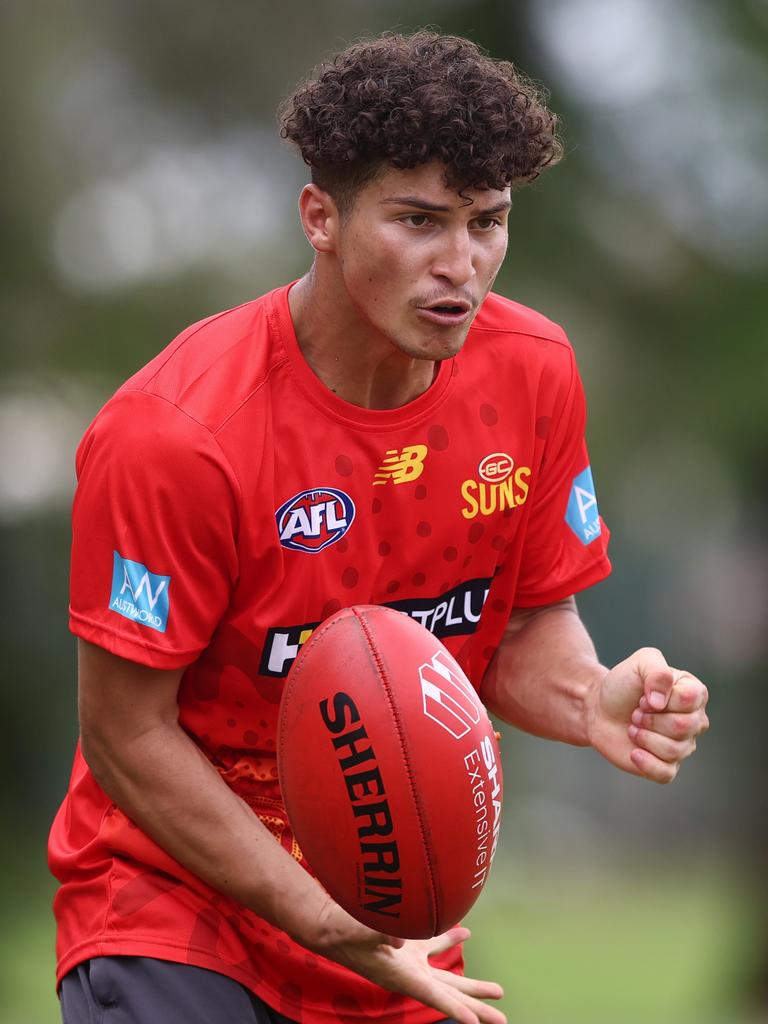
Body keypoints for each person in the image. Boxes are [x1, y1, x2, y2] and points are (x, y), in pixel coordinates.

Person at [48, 30, 710, 1024]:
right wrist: (316, 915)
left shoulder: (532, 373)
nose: (461, 265)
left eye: (487, 223)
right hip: (174, 916)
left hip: (392, 929)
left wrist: (591, 697)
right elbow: (124, 732)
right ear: (321, 215)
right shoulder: (179, 437)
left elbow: (517, 627)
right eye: (419, 221)